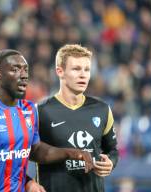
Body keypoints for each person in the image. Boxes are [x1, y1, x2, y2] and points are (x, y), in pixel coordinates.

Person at [0, 49, 93, 192]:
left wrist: (71, 153)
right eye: (15, 69)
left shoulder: (29, 110)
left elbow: (36, 150)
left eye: (25, 69)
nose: (23, 75)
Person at [37, 44, 119, 192]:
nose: (83, 75)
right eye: (76, 69)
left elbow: (112, 150)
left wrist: (110, 163)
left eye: (87, 69)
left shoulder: (102, 109)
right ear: (60, 71)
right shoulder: (41, 111)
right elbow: (29, 153)